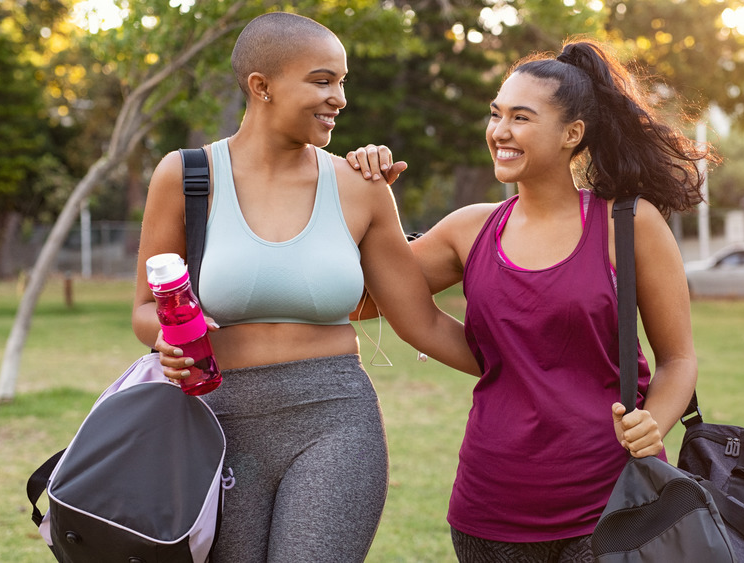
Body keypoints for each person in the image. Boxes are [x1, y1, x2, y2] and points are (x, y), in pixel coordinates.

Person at [131, 12, 479, 563]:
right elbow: (146, 310)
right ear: (261, 86)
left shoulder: (360, 187)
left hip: (336, 419)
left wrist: (526, 370)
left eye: (342, 82)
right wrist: (169, 339)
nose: (339, 98)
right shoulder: (186, 176)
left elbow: (422, 320)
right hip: (215, 424)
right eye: (322, 81)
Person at [349, 39, 713, 561]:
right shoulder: (468, 230)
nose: (500, 131)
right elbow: (362, 301)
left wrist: (653, 418)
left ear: (572, 134)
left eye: (521, 117)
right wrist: (371, 199)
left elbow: (679, 359)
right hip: (492, 508)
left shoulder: (628, 224)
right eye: (496, 114)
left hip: (616, 502)